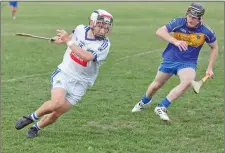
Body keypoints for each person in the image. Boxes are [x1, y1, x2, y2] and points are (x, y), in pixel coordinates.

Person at [15, 9, 113, 138]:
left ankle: (35, 128)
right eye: (100, 26)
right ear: (91, 23)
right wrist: (62, 39)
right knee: (57, 102)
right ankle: (30, 118)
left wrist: (68, 41)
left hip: (81, 83)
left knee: (56, 113)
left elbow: (87, 57)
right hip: (65, 73)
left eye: (106, 27)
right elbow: (72, 38)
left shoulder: (104, 45)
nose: (102, 30)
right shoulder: (80, 29)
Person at [132, 2, 218, 121]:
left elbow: (214, 47)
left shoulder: (206, 31)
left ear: (200, 18)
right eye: (189, 16)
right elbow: (160, 31)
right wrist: (175, 41)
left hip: (188, 62)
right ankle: (144, 102)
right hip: (170, 59)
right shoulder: (179, 22)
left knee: (188, 81)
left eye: (194, 18)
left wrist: (210, 67)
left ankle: (162, 107)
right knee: (156, 85)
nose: (190, 20)